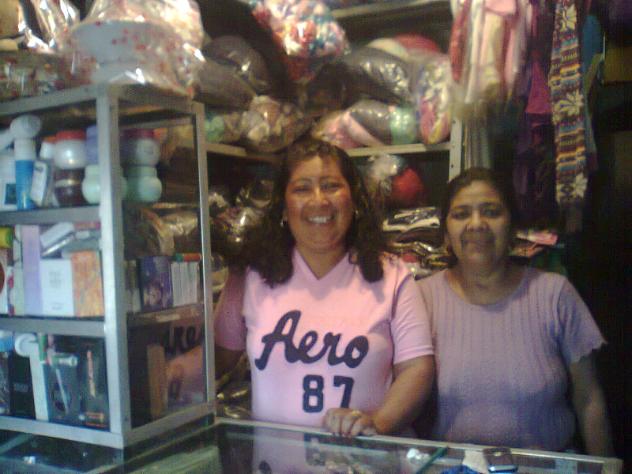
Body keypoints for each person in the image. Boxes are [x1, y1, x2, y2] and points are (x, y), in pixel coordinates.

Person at [214, 138, 434, 437]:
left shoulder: (393, 275)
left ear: (353, 199)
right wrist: (166, 372)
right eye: (302, 188)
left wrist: (377, 423)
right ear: (283, 206)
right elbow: (216, 361)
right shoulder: (251, 275)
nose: (319, 200)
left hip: (362, 460)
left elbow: (416, 369)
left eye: (331, 186)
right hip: (273, 460)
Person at [417, 167, 613, 455]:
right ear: (446, 233)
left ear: (511, 227)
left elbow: (589, 399)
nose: (477, 224)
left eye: (491, 212)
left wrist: (606, 467)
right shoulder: (421, 299)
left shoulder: (554, 294)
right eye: (461, 214)